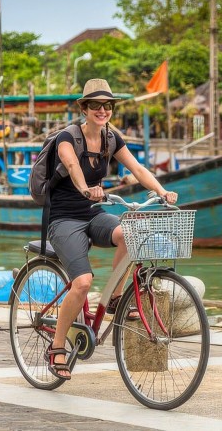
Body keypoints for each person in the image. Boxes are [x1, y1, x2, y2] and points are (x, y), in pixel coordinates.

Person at [45, 78, 178, 380]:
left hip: (92, 213)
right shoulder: (68, 137)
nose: (102, 110)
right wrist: (85, 189)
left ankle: (117, 297)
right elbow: (74, 167)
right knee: (81, 283)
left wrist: (161, 191)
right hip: (64, 218)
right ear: (85, 108)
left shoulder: (110, 138)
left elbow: (138, 168)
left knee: (131, 233)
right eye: (95, 105)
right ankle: (56, 347)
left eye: (107, 105)